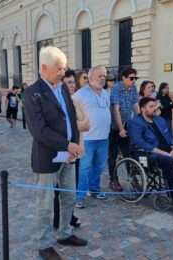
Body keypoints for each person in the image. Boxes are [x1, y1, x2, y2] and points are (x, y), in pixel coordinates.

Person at [24, 46, 87, 260]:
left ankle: (65, 233)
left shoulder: (62, 89)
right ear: (44, 68)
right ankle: (44, 245)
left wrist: (75, 144)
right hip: (46, 158)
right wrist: (67, 145)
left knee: (69, 197)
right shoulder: (32, 93)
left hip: (68, 156)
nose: (64, 73)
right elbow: (38, 130)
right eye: (59, 68)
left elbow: (71, 119)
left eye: (65, 68)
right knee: (45, 204)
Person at [53, 69, 89, 229]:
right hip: (59, 151)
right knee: (56, 188)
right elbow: (57, 128)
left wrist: (72, 125)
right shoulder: (57, 101)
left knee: (70, 188)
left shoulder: (77, 101)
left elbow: (87, 124)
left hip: (76, 151)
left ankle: (69, 216)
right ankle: (56, 218)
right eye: (69, 82)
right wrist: (74, 125)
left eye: (74, 82)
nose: (72, 85)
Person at [73, 66, 111, 208]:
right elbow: (73, 117)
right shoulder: (79, 95)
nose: (102, 78)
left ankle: (94, 189)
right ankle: (80, 196)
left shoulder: (107, 93)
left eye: (104, 76)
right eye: (99, 76)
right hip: (87, 138)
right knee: (84, 168)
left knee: (100, 166)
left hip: (104, 137)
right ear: (90, 78)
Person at [108, 67, 139, 192]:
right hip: (113, 127)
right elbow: (115, 109)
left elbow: (135, 106)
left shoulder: (133, 88)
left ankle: (132, 178)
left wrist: (141, 122)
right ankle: (113, 180)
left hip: (125, 124)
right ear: (123, 78)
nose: (134, 81)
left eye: (135, 78)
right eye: (131, 78)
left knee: (128, 153)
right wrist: (120, 129)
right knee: (113, 155)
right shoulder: (116, 88)